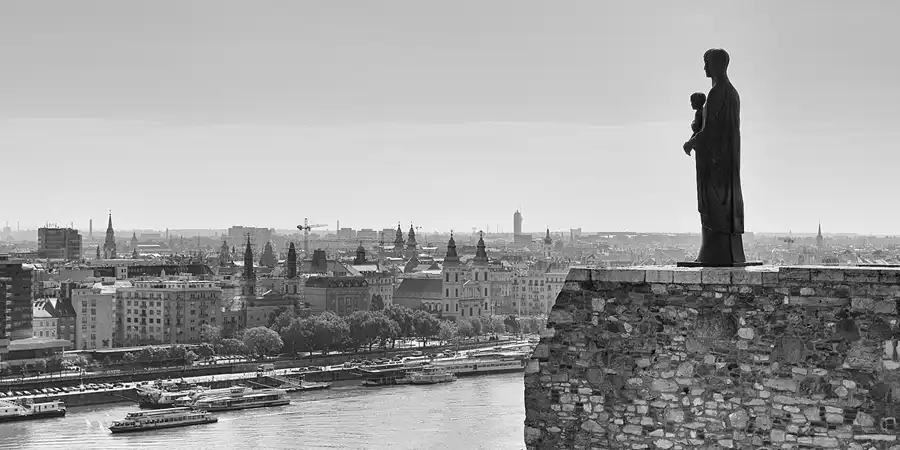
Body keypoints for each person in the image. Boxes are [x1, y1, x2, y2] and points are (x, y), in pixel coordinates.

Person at [682, 49, 747, 266]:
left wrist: (691, 142)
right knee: (725, 206)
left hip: (715, 164)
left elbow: (710, 130)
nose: (704, 68)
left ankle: (713, 253)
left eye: (707, 63)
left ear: (716, 64)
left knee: (714, 207)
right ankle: (727, 252)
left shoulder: (717, 92)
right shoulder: (732, 92)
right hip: (727, 163)